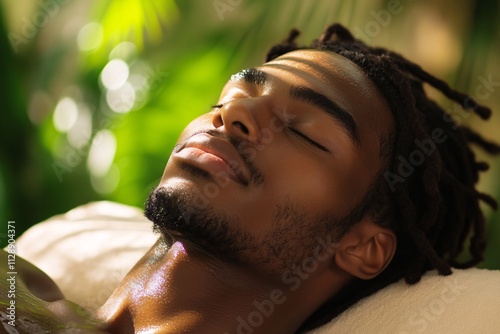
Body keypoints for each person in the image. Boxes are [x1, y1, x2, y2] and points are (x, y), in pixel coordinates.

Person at [2, 23, 499, 333]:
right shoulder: (16, 285)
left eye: (305, 134)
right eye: (227, 98)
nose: (231, 116)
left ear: (363, 246)